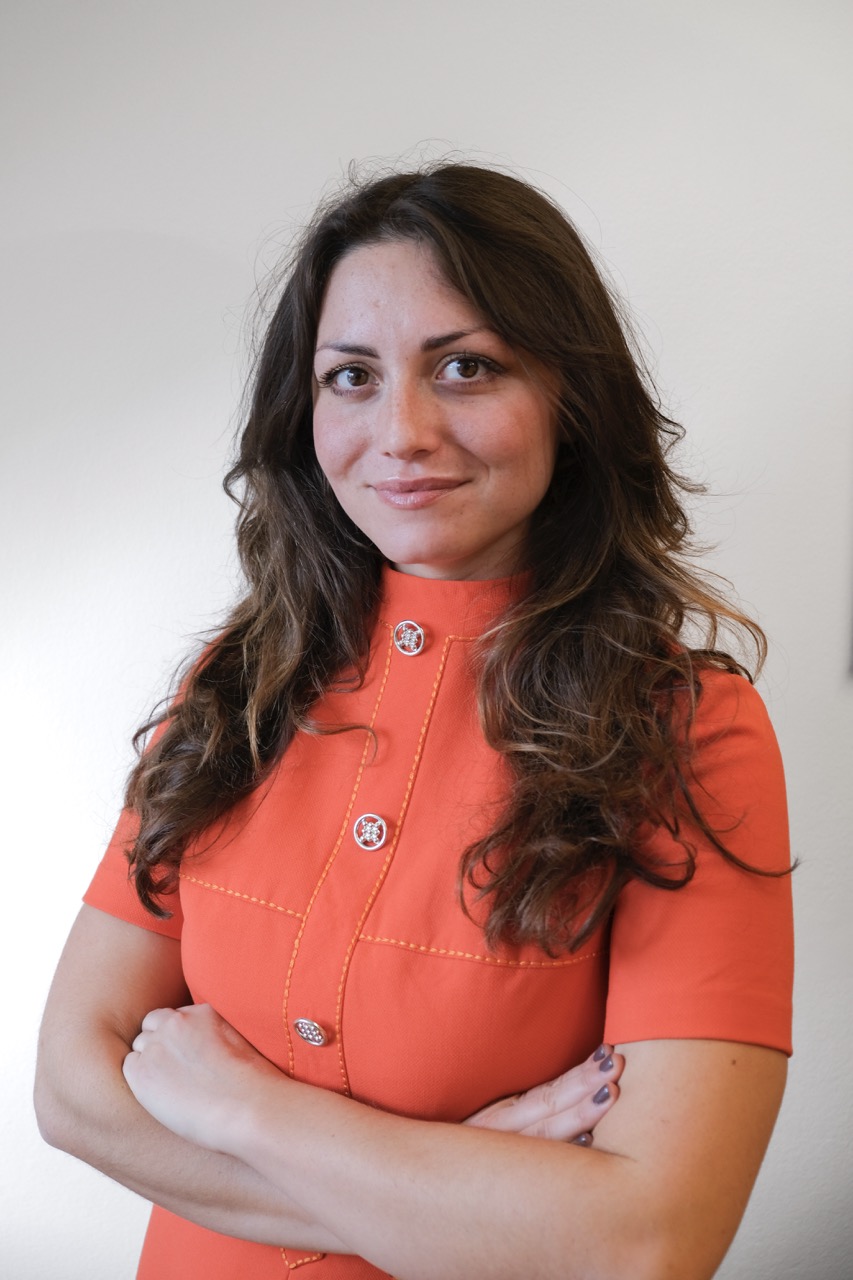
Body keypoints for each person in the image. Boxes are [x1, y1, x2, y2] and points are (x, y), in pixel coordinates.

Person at [35, 162, 794, 1280]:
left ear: (571, 396)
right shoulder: (234, 688)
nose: (401, 431)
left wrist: (243, 1110)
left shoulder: (686, 731)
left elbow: (646, 1241)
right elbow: (71, 1090)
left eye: (465, 366)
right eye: (351, 375)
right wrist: (471, 1191)